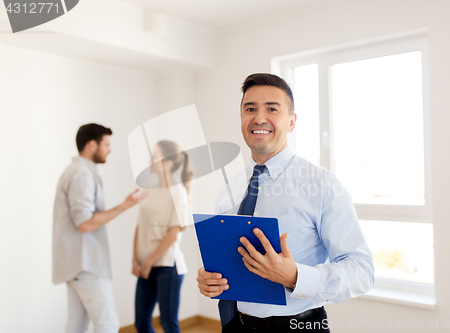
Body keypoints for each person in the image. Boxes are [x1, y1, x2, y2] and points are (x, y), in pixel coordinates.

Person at [197, 73, 374, 332]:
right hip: (236, 323)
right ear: (242, 119)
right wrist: (210, 279)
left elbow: (361, 271)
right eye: (250, 109)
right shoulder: (229, 187)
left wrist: (295, 277)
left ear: (291, 121)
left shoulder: (322, 184)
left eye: (272, 109)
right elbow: (228, 260)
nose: (259, 118)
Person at [53, 123, 146, 333]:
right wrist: (126, 205)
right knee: (108, 324)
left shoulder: (79, 171)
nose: (110, 149)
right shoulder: (81, 174)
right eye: (106, 144)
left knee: (77, 324)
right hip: (85, 265)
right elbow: (84, 223)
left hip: (76, 264)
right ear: (92, 145)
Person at [132, 140, 192, 333]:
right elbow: (140, 226)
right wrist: (135, 259)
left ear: (168, 162)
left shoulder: (178, 193)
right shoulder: (149, 190)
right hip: (145, 266)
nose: (150, 161)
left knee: (168, 323)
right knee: (141, 323)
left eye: (155, 157)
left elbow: (173, 234)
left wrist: (148, 262)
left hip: (167, 268)